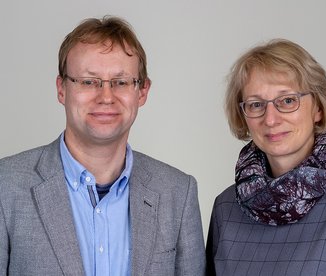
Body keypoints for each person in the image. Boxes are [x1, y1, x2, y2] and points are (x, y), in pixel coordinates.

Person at [0, 16, 205, 276]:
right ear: (62, 89)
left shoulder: (178, 192)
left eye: (121, 82)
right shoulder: (5, 186)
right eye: (88, 81)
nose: (106, 97)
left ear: (142, 92)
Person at [206, 39, 326, 275]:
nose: (270, 119)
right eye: (256, 104)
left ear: (318, 108)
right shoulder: (227, 208)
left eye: (287, 101)